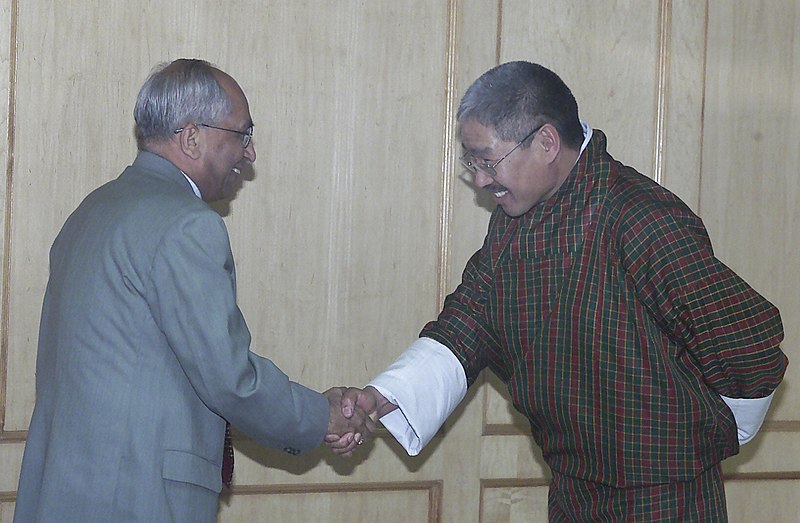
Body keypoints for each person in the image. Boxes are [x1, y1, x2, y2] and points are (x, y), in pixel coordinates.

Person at [330, 61, 788, 521]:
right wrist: (379, 397)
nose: (482, 181)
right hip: (573, 488)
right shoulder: (513, 220)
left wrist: (710, 433)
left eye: (489, 162)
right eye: (472, 164)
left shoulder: (639, 215)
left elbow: (748, 343)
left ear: (547, 142)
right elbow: (470, 319)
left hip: (664, 495)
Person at [14, 59, 372, 523]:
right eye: (242, 135)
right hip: (134, 499)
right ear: (192, 137)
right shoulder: (187, 225)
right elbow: (229, 377)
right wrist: (321, 416)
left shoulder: (91, 212)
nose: (250, 153)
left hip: (64, 494)